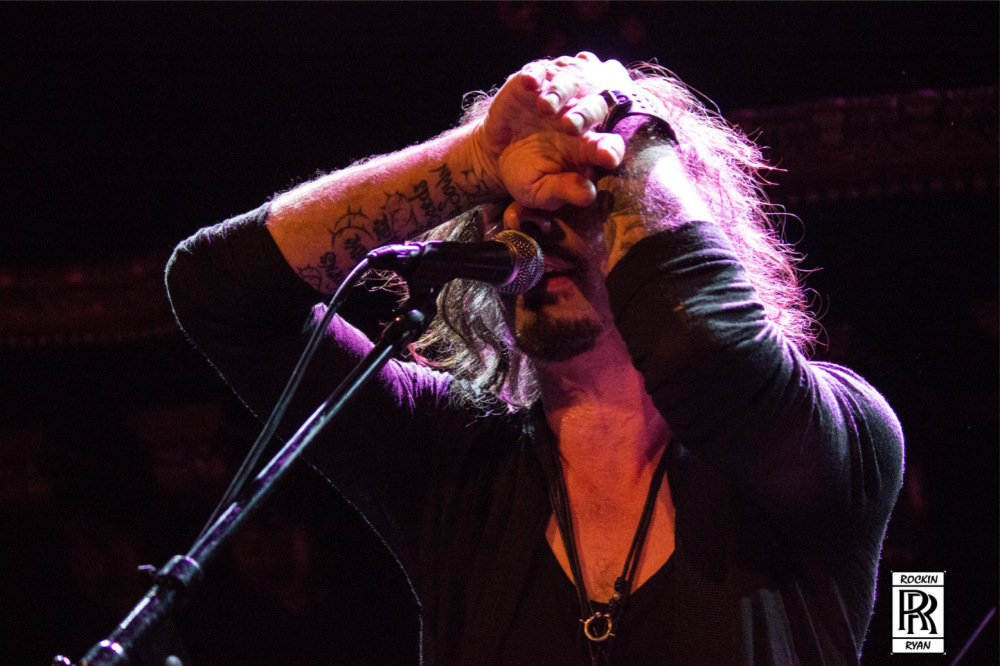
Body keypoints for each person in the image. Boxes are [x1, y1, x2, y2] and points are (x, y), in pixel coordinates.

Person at [166, 53, 904, 665]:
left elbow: (703, 350)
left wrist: (622, 126)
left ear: (679, 218)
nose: (530, 218)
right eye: (509, 201)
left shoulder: (833, 432)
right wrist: (474, 160)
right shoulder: (456, 462)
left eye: (581, 193)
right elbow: (217, 294)